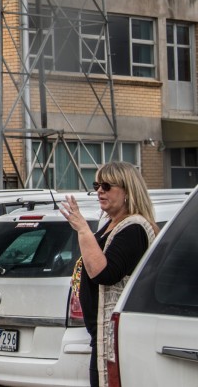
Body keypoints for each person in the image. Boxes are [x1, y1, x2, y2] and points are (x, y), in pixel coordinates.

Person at [60, 161, 158, 387]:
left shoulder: (134, 228)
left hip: (117, 339)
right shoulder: (111, 225)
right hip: (102, 336)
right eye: (97, 185)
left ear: (127, 191)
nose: (99, 191)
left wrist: (83, 229)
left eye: (106, 186)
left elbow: (103, 273)